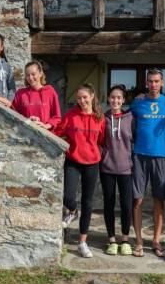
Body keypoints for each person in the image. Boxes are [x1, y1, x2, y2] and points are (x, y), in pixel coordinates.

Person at [54, 83, 105, 258]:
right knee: (68, 196)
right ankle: (73, 212)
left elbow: (103, 140)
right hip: (73, 160)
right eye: (79, 98)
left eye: (85, 97)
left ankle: (82, 242)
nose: (82, 101)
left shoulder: (100, 118)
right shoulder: (70, 116)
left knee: (88, 202)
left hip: (92, 162)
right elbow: (57, 132)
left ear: (92, 96)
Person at [130, 69, 165, 257]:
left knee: (158, 200)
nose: (153, 85)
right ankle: (139, 241)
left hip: (160, 156)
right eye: (150, 81)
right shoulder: (138, 102)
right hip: (139, 155)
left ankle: (156, 240)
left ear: (162, 82)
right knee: (137, 199)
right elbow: (128, 122)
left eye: (157, 81)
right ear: (146, 83)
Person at [100, 85, 135, 256]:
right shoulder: (103, 117)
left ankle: (126, 239)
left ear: (123, 100)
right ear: (108, 98)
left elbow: (135, 140)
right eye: (112, 97)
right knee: (109, 204)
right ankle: (112, 239)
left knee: (127, 205)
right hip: (107, 167)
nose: (115, 100)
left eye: (119, 98)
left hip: (126, 168)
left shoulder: (130, 118)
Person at [11, 61, 61, 131]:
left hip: (45, 136)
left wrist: (46, 126)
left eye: (33, 74)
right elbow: (13, 115)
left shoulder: (50, 92)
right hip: (25, 135)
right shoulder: (20, 94)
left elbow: (56, 117)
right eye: (28, 75)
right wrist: (27, 120)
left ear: (40, 74)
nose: (30, 78)